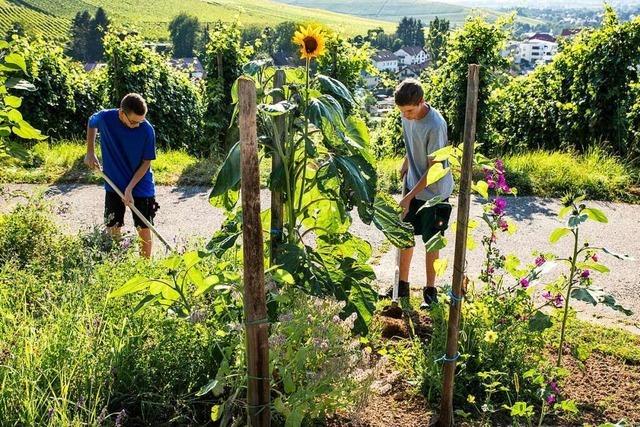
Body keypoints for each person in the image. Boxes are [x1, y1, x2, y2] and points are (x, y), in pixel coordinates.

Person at [385, 78, 454, 309]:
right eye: (402, 112)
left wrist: (409, 197)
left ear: (421, 102)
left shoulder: (435, 125)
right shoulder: (407, 115)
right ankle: (401, 286)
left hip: (434, 192)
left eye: (409, 111)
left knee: (431, 241)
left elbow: (435, 169)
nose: (405, 116)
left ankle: (430, 291)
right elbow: (411, 141)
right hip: (414, 185)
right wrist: (407, 161)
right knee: (405, 236)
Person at [84, 93, 159, 258]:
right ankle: (116, 262)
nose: (137, 125)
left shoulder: (147, 130)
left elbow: (146, 163)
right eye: (133, 121)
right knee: (113, 226)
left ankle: (145, 269)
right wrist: (90, 152)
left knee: (144, 228)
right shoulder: (105, 118)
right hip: (114, 182)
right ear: (121, 113)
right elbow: (91, 122)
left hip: (141, 185)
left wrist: (130, 188)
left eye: (141, 120)